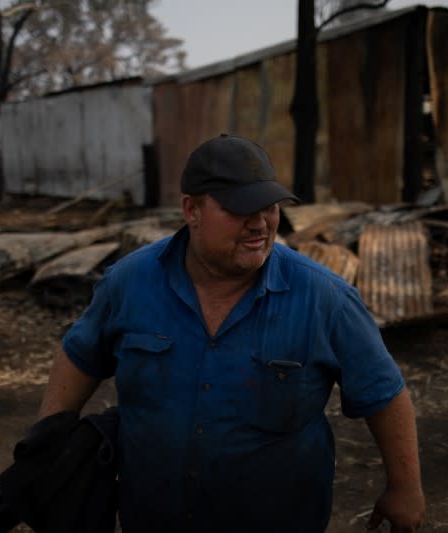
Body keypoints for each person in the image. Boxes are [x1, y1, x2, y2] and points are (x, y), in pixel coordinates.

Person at [38, 134, 425, 532]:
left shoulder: (325, 299)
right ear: (192, 209)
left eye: (269, 207)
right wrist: (46, 447)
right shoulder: (129, 284)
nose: (259, 224)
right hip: (153, 516)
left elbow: (384, 394)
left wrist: (405, 487)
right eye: (241, 209)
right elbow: (80, 356)